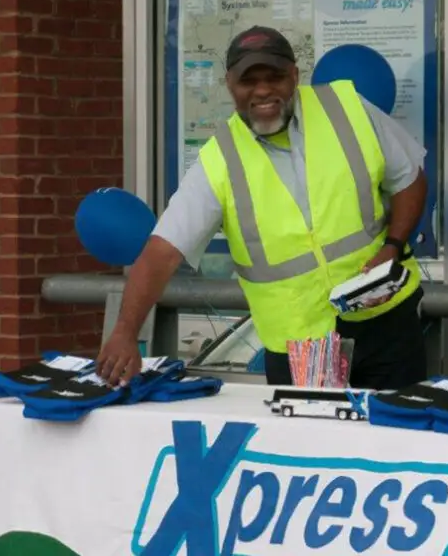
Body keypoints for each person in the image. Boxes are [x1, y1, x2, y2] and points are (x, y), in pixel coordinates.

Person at [95, 26, 430, 390]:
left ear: (295, 76)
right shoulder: (219, 159)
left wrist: (393, 244)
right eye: (248, 80)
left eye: (275, 77)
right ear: (229, 85)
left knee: (398, 440)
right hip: (301, 348)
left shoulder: (346, 108)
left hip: (386, 322)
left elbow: (409, 180)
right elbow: (163, 251)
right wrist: (125, 332)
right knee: (313, 448)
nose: (263, 90)